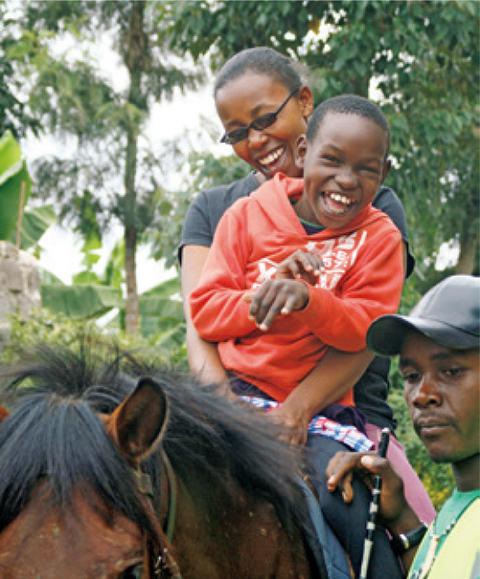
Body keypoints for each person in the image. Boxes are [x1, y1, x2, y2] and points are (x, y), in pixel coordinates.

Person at [180, 46, 434, 524]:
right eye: (237, 133)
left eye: (264, 119)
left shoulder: (374, 211)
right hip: (231, 401)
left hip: (339, 411)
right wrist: (232, 417)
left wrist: (295, 412)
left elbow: (369, 331)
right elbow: (201, 320)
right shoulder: (224, 211)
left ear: (303, 102)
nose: (256, 140)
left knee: (391, 519)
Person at [326, 275, 480, 578]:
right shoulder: (458, 509)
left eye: (451, 371)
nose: (422, 395)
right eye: (412, 376)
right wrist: (402, 519)